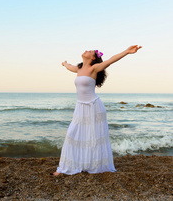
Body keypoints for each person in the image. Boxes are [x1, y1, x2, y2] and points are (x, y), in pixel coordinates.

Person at [52, 45, 142, 176]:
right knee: (73, 134)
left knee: (93, 137)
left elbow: (111, 60)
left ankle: (94, 166)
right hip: (80, 107)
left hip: (94, 107)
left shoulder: (94, 68)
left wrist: (127, 52)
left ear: (93, 58)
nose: (87, 50)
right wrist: (64, 63)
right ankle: (67, 167)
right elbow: (69, 66)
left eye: (90, 51)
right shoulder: (79, 68)